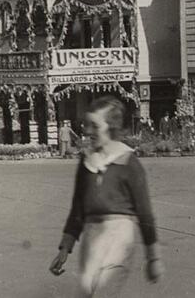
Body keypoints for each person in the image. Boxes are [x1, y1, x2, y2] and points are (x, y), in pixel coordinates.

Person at [50, 96, 164, 296]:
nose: (88, 131)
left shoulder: (128, 162)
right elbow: (78, 207)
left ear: (111, 127)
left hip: (119, 236)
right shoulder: (86, 161)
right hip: (91, 236)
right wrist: (64, 247)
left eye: (95, 126)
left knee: (104, 293)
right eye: (87, 125)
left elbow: (145, 213)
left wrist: (153, 257)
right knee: (84, 293)